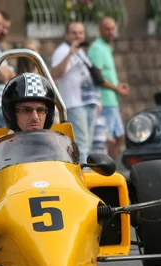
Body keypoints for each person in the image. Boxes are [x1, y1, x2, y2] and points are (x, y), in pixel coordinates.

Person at [50, 21, 101, 164]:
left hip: (89, 102)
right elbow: (55, 73)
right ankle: (82, 178)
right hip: (74, 104)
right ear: (66, 35)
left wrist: (98, 101)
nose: (78, 36)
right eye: (74, 33)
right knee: (81, 145)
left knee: (88, 145)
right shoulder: (62, 50)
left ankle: (86, 174)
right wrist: (69, 55)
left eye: (80, 33)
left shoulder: (82, 52)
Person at [0, 72, 56, 152]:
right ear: (12, 114)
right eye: (26, 110)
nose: (35, 117)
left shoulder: (58, 144)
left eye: (40, 110)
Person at [87, 17, 130, 160]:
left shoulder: (105, 47)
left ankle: (110, 168)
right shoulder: (97, 48)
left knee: (119, 136)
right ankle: (104, 170)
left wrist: (117, 87)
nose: (111, 32)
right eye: (107, 29)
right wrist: (116, 89)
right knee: (107, 140)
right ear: (100, 30)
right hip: (104, 102)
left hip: (111, 101)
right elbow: (96, 77)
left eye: (113, 29)